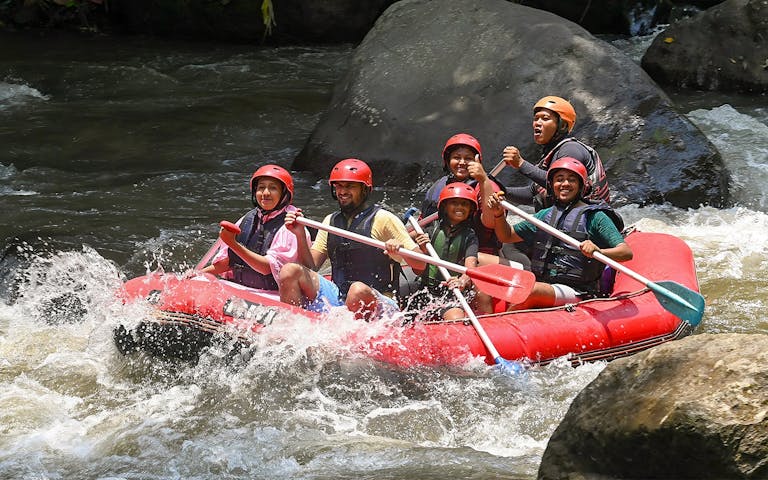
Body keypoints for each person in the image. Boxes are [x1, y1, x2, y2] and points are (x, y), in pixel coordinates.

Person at [279, 158, 426, 321]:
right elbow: (310, 267)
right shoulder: (330, 221)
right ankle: (292, 326)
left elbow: (420, 264)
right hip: (339, 295)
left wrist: (400, 251)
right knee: (289, 270)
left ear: (365, 189)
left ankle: (347, 338)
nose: (342, 191)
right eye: (339, 186)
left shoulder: (383, 218)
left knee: (356, 290)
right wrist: (299, 234)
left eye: (350, 186)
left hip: (380, 301)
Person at [488, 157, 631, 310]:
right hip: (544, 283)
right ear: (552, 185)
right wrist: (498, 215)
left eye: (571, 180)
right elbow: (507, 236)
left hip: (578, 291)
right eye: (559, 179)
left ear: (581, 185)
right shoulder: (545, 215)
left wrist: (599, 251)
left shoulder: (595, 217)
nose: (565, 184)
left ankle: (502, 325)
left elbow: (626, 252)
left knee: (531, 291)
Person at [201, 164, 311, 291]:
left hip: (275, 294)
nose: (265, 193)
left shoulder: (291, 225)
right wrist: (200, 273)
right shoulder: (247, 219)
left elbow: (267, 269)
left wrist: (233, 244)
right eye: (261, 188)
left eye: (273, 188)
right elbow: (229, 261)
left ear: (284, 194)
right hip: (244, 288)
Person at [502, 95, 611, 212]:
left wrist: (521, 164)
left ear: (562, 126)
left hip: (588, 222)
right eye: (536, 118)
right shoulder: (551, 154)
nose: (537, 123)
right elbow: (533, 193)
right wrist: (501, 190)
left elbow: (561, 185)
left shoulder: (571, 149)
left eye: (545, 118)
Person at [405, 182, 493, 321]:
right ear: (444, 206)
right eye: (454, 203)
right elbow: (404, 244)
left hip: (451, 293)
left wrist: (462, 281)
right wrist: (421, 250)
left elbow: (470, 268)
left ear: (471, 209)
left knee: (455, 318)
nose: (459, 207)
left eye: (464, 204)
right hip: (424, 290)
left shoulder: (470, 236)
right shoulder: (428, 230)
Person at [419, 133, 506, 262]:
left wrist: (483, 181)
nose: (462, 162)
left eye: (468, 158)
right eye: (456, 157)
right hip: (444, 249)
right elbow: (423, 223)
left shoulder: (488, 186)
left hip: (480, 253)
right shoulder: (438, 187)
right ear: (448, 161)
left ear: (477, 161)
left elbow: (490, 222)